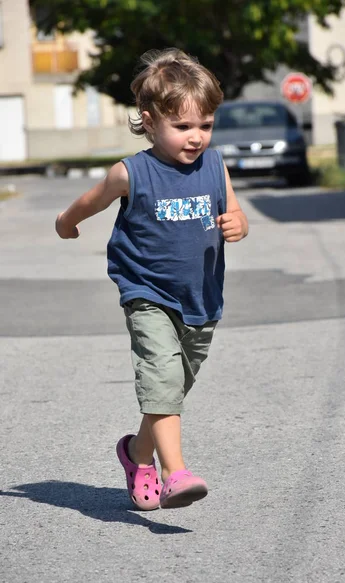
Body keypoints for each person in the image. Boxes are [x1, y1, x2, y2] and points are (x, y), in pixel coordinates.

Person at [55, 48, 248, 510]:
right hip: (147, 292)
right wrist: (67, 221)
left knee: (170, 392)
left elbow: (234, 210)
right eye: (183, 127)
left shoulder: (215, 166)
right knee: (162, 378)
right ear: (149, 119)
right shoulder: (132, 172)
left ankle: (137, 452)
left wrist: (237, 224)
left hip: (201, 297)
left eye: (205, 125)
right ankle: (174, 472)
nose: (196, 137)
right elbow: (92, 200)